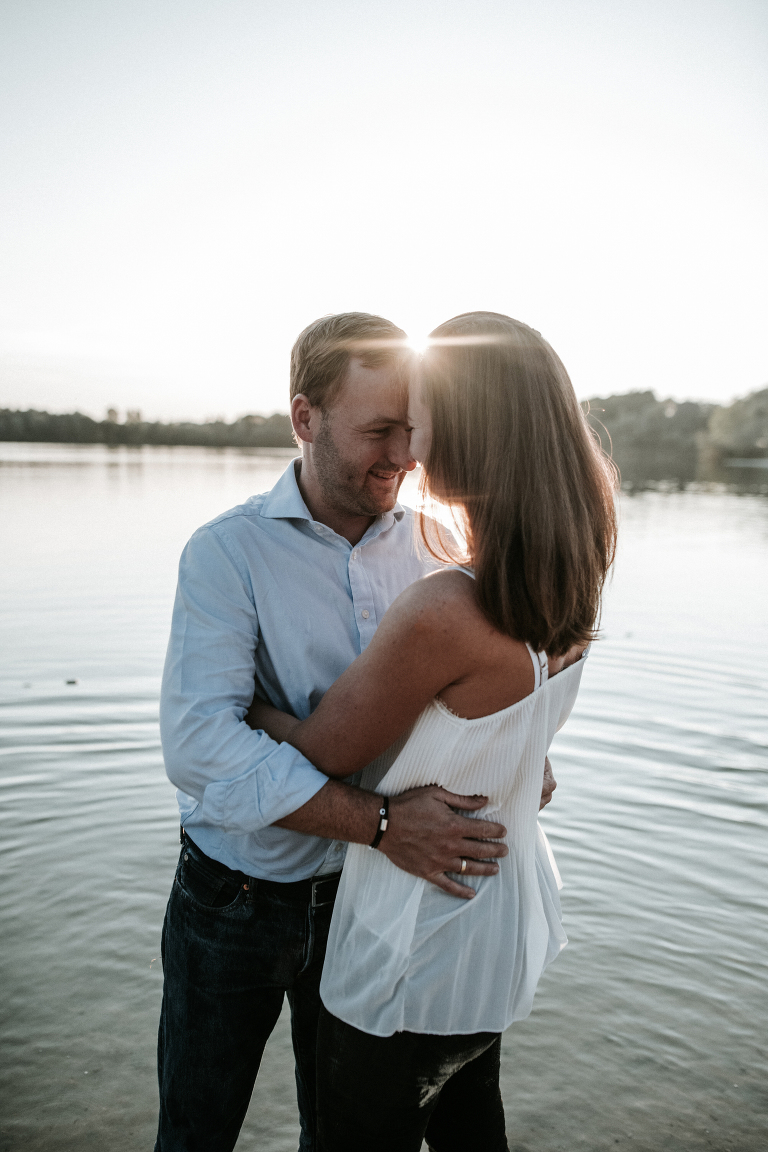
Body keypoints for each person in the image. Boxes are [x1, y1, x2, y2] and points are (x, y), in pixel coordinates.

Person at [155, 312, 556, 1152]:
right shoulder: (227, 553)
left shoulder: (442, 553)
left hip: (367, 903)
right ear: (305, 419)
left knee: (338, 1133)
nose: (404, 455)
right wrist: (379, 822)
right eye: (378, 432)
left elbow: (470, 704)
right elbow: (199, 750)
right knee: (196, 1130)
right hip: (236, 897)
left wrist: (515, 752)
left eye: (410, 429)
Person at [246, 311, 619, 1152]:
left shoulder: (445, 609)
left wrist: (248, 704)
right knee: (471, 1135)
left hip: (409, 940)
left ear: (470, 430)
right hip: (496, 923)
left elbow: (315, 759)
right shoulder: (572, 573)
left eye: (418, 422)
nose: (408, 450)